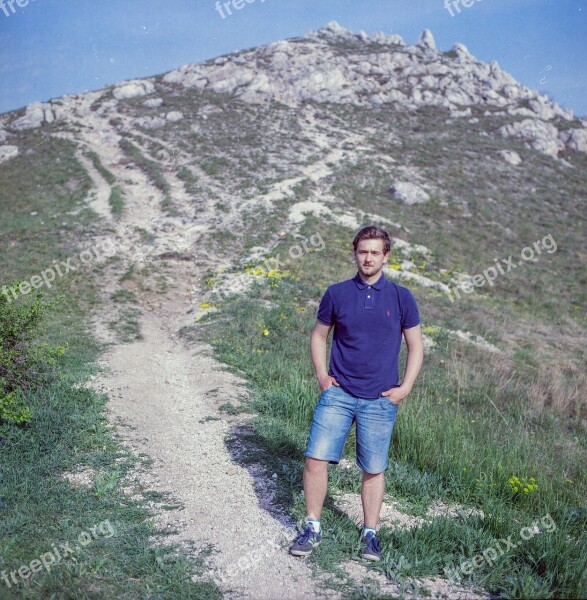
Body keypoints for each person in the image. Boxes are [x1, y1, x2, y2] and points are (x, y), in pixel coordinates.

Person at [289, 225, 424, 561]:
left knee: (373, 468)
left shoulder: (401, 297)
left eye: (375, 252)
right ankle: (312, 527)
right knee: (315, 459)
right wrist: (322, 375)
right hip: (339, 393)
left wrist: (404, 388)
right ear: (354, 253)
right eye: (363, 251)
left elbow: (416, 345)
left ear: (385, 256)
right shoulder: (336, 293)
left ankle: (370, 534)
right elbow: (319, 335)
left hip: (380, 400)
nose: (368, 258)